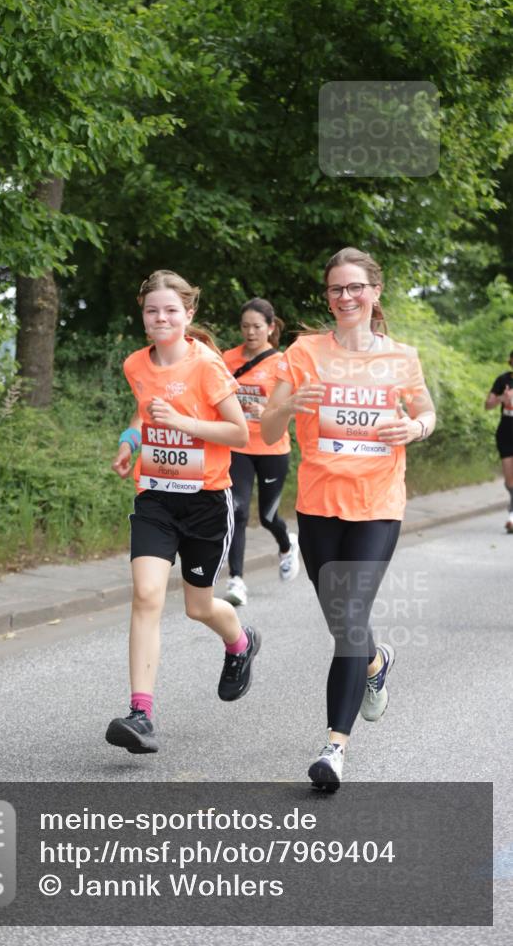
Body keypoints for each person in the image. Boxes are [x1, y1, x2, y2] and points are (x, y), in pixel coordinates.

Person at [261, 247, 436, 791]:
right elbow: (267, 430)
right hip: (318, 506)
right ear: (328, 296)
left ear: (375, 292)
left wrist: (415, 429)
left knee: (350, 616)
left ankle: (333, 749)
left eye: (355, 286)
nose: (346, 296)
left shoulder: (401, 357)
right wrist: (291, 404)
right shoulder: (304, 352)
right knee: (345, 624)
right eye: (336, 288)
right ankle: (375, 662)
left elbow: (426, 411)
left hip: (378, 503)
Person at [107, 269, 262, 754]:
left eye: (171, 310)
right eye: (152, 310)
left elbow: (239, 433)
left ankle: (240, 643)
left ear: (188, 314)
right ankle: (141, 714)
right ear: (143, 315)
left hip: (205, 502)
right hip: (155, 497)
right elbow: (143, 411)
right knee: (146, 595)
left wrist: (183, 423)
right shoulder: (136, 363)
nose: (161, 318)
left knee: (198, 607)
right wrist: (129, 442)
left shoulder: (207, 366)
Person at [222, 298, 299, 607]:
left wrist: (267, 409)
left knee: (267, 517)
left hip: (271, 447)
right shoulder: (227, 359)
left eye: (256, 326)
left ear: (270, 327)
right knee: (237, 510)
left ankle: (286, 544)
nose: (250, 332)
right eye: (245, 326)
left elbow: (292, 407)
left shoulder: (282, 363)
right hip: (237, 445)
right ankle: (236, 580)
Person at [485, 349, 513, 533]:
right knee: (510, 481)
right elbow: (487, 405)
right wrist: (503, 398)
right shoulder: (503, 380)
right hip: (506, 433)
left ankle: (512, 516)